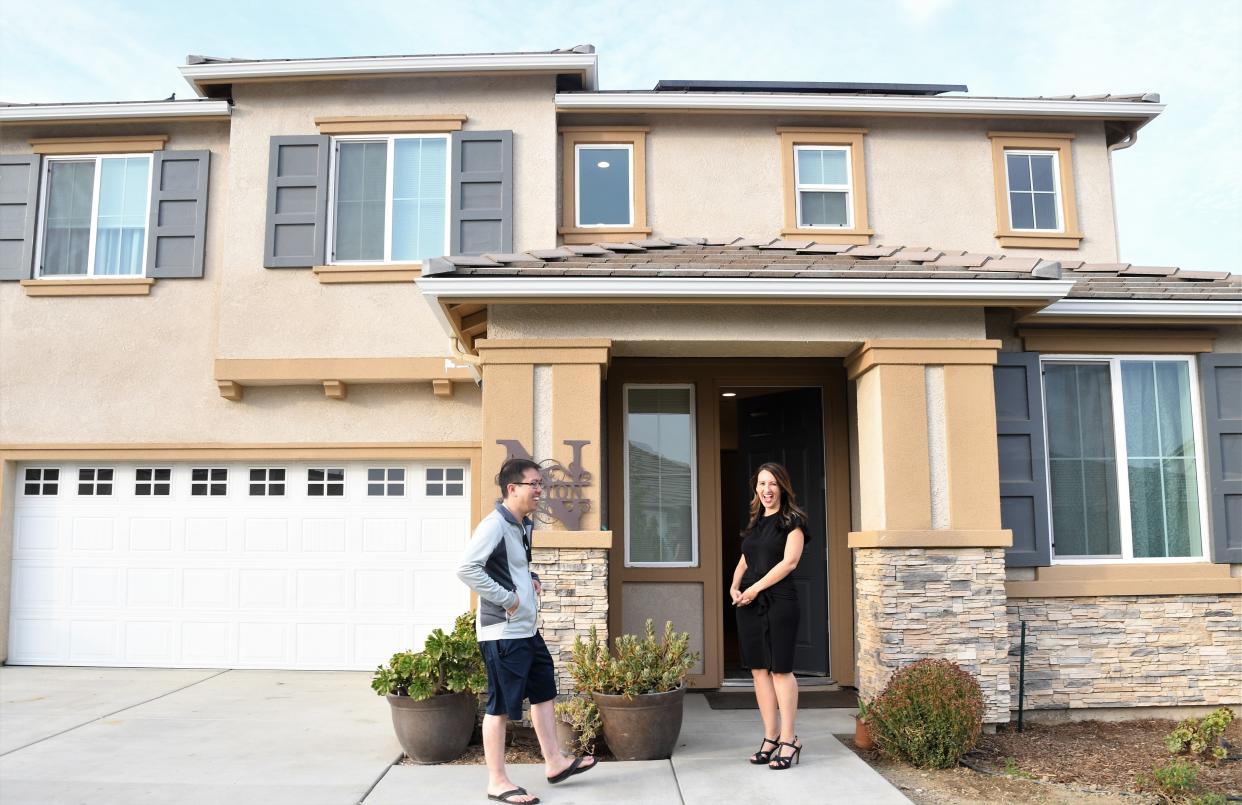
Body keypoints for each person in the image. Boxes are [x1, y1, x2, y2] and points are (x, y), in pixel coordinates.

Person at [457, 457, 597, 804]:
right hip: (502, 633)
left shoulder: (522, 524)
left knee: (543, 690)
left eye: (541, 484)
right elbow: (467, 569)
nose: (540, 490)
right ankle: (497, 781)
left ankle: (555, 762)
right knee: (500, 706)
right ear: (512, 488)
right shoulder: (494, 525)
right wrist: (508, 599)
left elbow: (511, 567)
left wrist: (528, 581)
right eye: (534, 484)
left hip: (524, 630)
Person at [729, 462, 807, 770]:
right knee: (759, 671)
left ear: (783, 487)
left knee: (780, 671)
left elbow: (789, 563)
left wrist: (755, 589)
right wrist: (735, 586)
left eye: (772, 483)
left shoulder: (794, 523)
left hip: (780, 602)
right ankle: (770, 737)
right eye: (761, 484)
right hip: (749, 603)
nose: (766, 489)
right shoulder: (756, 522)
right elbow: (746, 559)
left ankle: (790, 739)